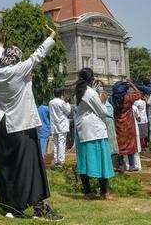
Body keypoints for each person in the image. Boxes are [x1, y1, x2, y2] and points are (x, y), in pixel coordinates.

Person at [0, 25, 60, 220]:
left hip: (3, 125)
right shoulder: (19, 69)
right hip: (21, 125)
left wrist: (0, 44)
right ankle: (38, 207)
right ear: (17, 60)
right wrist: (52, 36)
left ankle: (10, 206)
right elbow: (37, 55)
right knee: (30, 167)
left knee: (7, 166)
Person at [74, 68, 115, 200]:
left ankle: (87, 192)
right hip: (94, 131)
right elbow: (102, 111)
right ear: (91, 79)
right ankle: (104, 192)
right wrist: (102, 99)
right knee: (103, 160)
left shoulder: (79, 92)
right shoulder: (91, 93)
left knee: (84, 161)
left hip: (83, 130)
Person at [113, 80, 143, 172]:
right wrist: (132, 85)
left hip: (118, 123)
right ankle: (132, 165)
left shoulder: (114, 98)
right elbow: (139, 94)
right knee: (131, 144)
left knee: (120, 143)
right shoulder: (128, 97)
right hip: (129, 123)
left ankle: (121, 165)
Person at [49, 88, 71, 167]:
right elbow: (68, 111)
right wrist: (67, 102)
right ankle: (61, 161)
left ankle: (55, 159)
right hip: (62, 125)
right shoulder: (62, 102)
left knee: (55, 143)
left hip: (54, 125)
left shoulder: (50, 102)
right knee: (61, 142)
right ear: (61, 94)